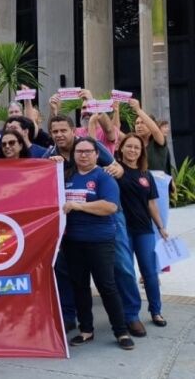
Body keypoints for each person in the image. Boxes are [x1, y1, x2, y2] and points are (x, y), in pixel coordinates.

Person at [62, 137, 134, 350]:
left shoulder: (104, 177)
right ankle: (86, 330)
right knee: (80, 287)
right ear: (74, 155)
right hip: (72, 242)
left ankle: (121, 332)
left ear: (96, 154)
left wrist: (79, 205)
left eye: (87, 151)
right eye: (79, 151)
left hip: (100, 241)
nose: (83, 155)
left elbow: (110, 206)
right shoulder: (67, 176)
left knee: (107, 286)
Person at [114, 133, 169, 328]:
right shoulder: (116, 170)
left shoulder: (146, 175)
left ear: (141, 151)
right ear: (122, 148)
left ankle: (156, 310)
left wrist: (161, 227)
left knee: (150, 272)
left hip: (144, 230)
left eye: (136, 147)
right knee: (125, 272)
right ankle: (130, 313)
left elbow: (152, 204)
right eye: (129, 146)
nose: (132, 150)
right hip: (122, 231)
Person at [130, 98, 171, 174]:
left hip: (158, 183)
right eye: (137, 123)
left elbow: (155, 131)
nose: (139, 126)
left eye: (143, 123)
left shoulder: (158, 142)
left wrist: (138, 110)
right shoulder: (133, 145)